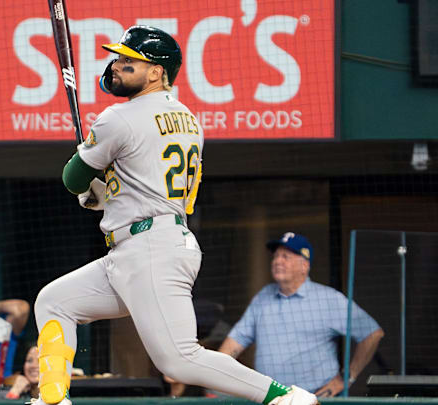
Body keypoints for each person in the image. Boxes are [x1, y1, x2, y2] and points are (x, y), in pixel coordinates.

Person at [31, 25, 319, 405]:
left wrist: (87, 181)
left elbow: (72, 178)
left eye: (128, 60)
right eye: (117, 58)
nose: (116, 66)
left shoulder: (119, 116)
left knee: (179, 359)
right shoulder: (188, 118)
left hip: (149, 247)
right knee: (54, 301)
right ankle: (52, 398)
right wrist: (102, 194)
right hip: (150, 242)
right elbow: (142, 181)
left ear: (156, 71)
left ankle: (283, 396)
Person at [219, 232, 385, 397]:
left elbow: (372, 334)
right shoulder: (263, 297)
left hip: (313, 400)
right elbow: (235, 342)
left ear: (304, 266)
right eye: (276, 256)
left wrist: (345, 378)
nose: (277, 261)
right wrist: (212, 375)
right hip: (269, 399)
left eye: (286, 257)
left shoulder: (328, 299)